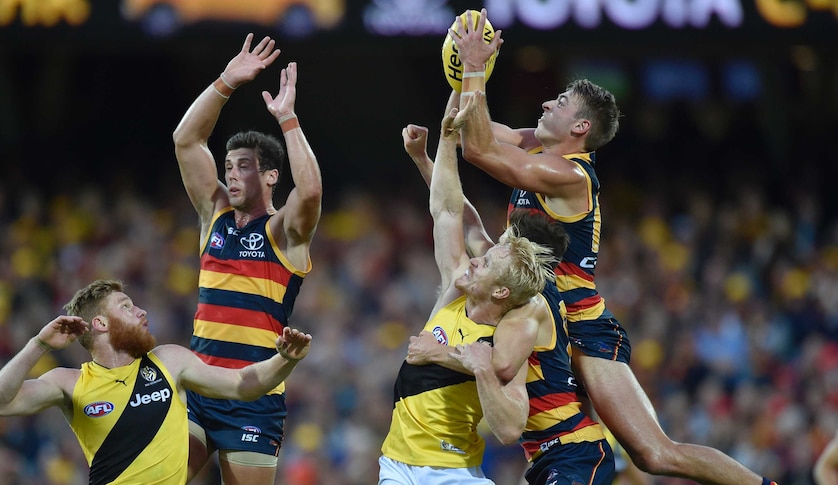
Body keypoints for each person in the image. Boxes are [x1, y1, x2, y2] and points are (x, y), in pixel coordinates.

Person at [448, 9, 778, 485]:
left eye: (559, 102)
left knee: (654, 453)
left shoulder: (568, 175)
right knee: (561, 441)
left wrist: (476, 69)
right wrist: (463, 69)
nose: (545, 103)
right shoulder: (538, 152)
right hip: (542, 315)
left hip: (582, 326)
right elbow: (471, 132)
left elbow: (479, 149)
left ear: (580, 127)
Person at [379, 100, 613, 484]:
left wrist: (460, 360)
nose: (476, 260)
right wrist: (437, 146)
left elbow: (507, 424)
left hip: (456, 473)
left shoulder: (514, 329)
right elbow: (451, 213)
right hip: (395, 465)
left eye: (485, 262)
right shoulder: (460, 291)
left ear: (503, 291)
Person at [0, 279, 311, 485]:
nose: (141, 311)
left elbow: (243, 385)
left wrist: (286, 359)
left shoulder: (169, 361)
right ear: (100, 322)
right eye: (126, 307)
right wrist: (38, 343)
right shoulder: (69, 382)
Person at [172, 33, 322, 484]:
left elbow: (310, 191)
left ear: (271, 175)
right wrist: (225, 82)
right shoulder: (213, 215)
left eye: (243, 166)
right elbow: (185, 140)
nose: (230, 174)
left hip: (254, 398)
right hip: (199, 391)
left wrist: (289, 119)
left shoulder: (283, 233)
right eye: (228, 165)